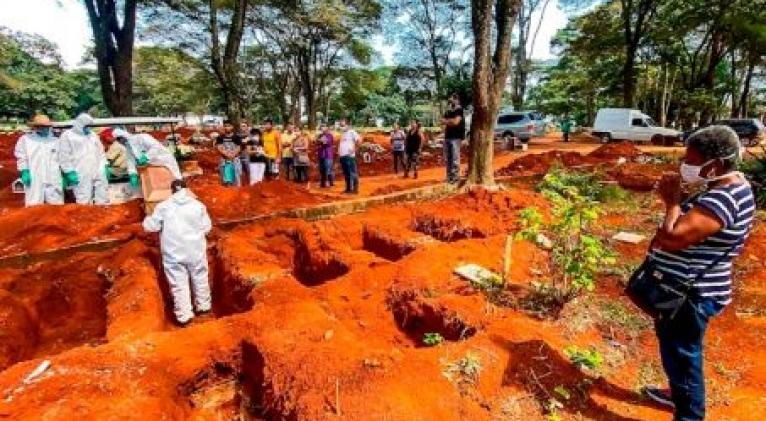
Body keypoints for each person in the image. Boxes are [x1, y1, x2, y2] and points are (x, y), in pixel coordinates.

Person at [639, 125, 755, 421]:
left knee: (682, 353)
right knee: (680, 349)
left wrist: (673, 202)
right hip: (689, 289)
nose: (684, 165)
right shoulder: (727, 186)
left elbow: (673, 238)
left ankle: (689, 413)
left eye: (690, 160)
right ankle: (678, 392)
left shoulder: (722, 198)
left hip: (691, 294)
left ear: (714, 165)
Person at [142, 179, 212, 325]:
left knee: (178, 283)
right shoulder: (198, 206)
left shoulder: (163, 207)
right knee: (200, 277)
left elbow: (151, 227)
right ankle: (203, 306)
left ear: (172, 191)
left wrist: (146, 218)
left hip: (173, 253)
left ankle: (184, 316)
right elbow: (206, 228)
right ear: (186, 189)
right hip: (195, 250)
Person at [14, 114, 65, 207]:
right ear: (35, 127)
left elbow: (63, 159)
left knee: (56, 206)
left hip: (53, 177)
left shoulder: (56, 141)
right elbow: (21, 157)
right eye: (40, 126)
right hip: (34, 177)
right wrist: (24, 171)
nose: (43, 128)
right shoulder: (26, 140)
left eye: (45, 126)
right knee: (33, 205)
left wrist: (65, 174)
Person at [59, 113, 109, 205]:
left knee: (102, 196)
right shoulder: (67, 135)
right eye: (86, 126)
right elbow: (64, 155)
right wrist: (69, 171)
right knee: (83, 199)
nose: (88, 128)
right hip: (80, 171)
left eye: (90, 126)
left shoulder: (93, 135)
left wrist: (104, 166)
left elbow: (100, 152)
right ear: (79, 124)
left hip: (97, 169)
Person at [114, 128, 182, 187]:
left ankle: (180, 193)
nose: (120, 142)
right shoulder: (128, 147)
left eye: (119, 140)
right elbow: (130, 160)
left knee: (175, 178)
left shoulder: (142, 137)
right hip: (154, 164)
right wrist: (132, 174)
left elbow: (156, 147)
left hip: (164, 159)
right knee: (161, 182)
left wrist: (146, 157)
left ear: (123, 137)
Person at [441, 93, 465, 184]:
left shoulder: (459, 110)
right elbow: (442, 121)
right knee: (448, 159)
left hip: (456, 137)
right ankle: (449, 178)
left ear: (456, 99)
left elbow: (456, 122)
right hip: (448, 136)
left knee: (455, 158)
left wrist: (447, 121)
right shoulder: (448, 111)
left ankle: (455, 178)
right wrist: (449, 121)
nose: (450, 100)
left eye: (451, 99)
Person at [215, 121, 243, 186]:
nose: (227, 128)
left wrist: (233, 155)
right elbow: (219, 147)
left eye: (229, 126)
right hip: (224, 160)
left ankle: (237, 192)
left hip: (235, 159)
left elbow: (239, 148)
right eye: (225, 126)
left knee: (236, 177)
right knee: (225, 178)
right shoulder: (220, 137)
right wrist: (226, 154)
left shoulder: (237, 137)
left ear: (232, 127)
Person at [338, 119, 361, 194]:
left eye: (343, 125)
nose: (341, 127)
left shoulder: (352, 132)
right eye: (341, 125)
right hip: (343, 156)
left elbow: (359, 140)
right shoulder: (342, 134)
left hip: (349, 156)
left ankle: (355, 189)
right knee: (346, 173)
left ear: (347, 125)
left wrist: (354, 149)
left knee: (352, 172)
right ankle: (348, 189)